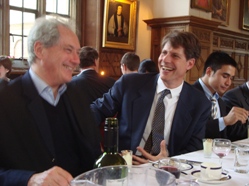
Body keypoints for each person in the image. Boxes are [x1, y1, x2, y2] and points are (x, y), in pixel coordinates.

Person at [0, 16, 102, 186]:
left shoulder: (76, 95)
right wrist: (30, 179)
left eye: (77, 52)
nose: (76, 60)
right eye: (68, 50)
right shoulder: (5, 100)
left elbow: (92, 154)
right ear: (40, 50)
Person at [91, 30, 211, 164]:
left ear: (190, 64)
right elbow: (95, 112)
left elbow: (194, 149)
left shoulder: (199, 103)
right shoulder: (130, 84)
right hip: (125, 166)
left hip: (167, 172)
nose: (165, 60)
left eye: (175, 56)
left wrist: (166, 161)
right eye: (164, 52)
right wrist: (98, 150)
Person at [193, 51, 249, 139]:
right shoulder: (189, 95)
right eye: (225, 76)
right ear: (209, 72)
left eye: (231, 78)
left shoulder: (220, 101)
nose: (228, 83)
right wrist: (224, 121)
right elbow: (192, 131)